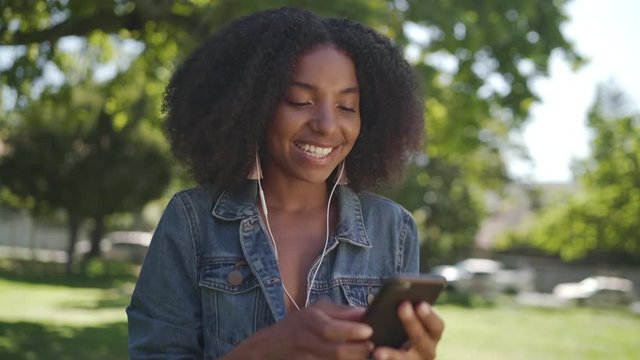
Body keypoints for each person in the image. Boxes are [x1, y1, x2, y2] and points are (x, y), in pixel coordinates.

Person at [127, 7, 444, 360]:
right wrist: (264, 350)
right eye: (301, 101)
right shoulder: (193, 221)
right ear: (251, 105)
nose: (326, 125)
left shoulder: (393, 229)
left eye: (347, 106)